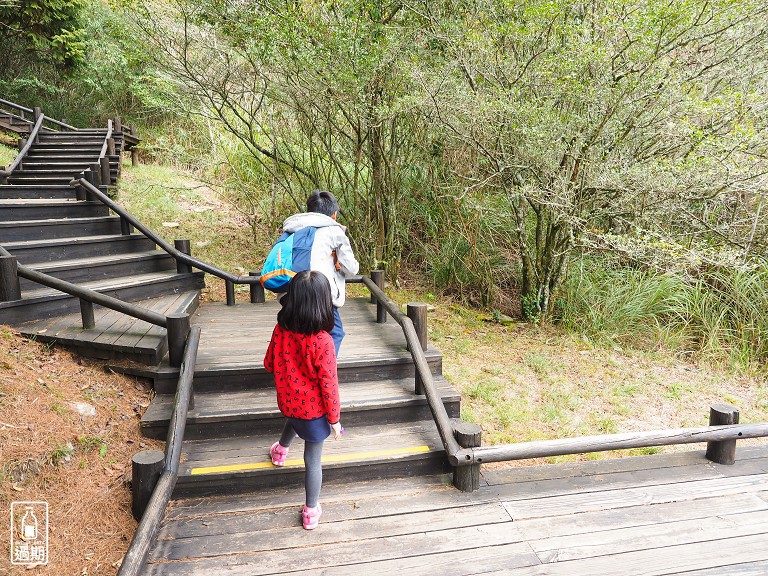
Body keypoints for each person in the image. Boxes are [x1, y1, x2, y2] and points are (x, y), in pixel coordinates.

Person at [263, 270, 343, 530]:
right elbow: (329, 386)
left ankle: (280, 450)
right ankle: (311, 510)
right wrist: (335, 421)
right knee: (313, 460)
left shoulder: (281, 329)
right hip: (314, 409)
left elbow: (269, 363)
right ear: (323, 303)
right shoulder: (323, 342)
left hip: (288, 400)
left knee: (295, 418)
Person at [281, 190, 359, 355]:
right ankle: (324, 370)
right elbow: (352, 269)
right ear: (334, 214)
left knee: (299, 334)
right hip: (320, 294)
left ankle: (301, 372)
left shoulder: (291, 228)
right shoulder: (334, 231)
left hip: (290, 292)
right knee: (335, 333)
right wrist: (339, 264)